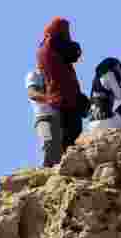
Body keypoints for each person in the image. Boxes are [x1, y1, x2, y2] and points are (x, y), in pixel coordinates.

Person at [36, 17, 88, 154]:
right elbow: (74, 52)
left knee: (64, 138)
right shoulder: (54, 42)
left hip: (56, 98)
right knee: (72, 138)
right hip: (65, 99)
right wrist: (73, 45)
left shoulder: (42, 47)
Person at [86, 58, 121, 134]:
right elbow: (119, 96)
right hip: (106, 124)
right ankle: (119, 134)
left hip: (91, 126)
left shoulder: (96, 79)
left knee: (114, 113)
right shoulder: (109, 75)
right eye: (120, 69)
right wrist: (119, 80)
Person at [25, 66, 60, 167]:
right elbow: (32, 93)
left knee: (59, 151)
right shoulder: (34, 75)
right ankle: (45, 173)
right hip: (43, 116)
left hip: (58, 117)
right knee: (48, 145)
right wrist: (51, 99)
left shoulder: (55, 75)